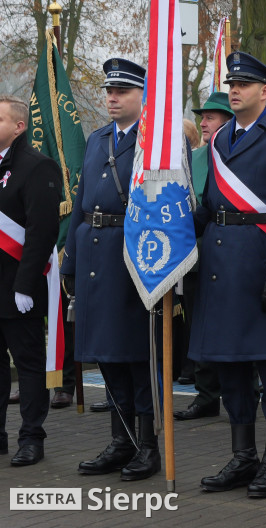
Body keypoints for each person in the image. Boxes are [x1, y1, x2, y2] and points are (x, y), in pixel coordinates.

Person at [189, 52, 266, 499]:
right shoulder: (222, 137)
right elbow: (210, 206)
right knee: (231, 369)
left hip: (264, 269)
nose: (235, 89)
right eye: (232, 82)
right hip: (222, 270)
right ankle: (242, 457)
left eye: (244, 83)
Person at [61, 58, 163, 481]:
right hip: (94, 254)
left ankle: (147, 445)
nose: (113, 98)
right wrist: (71, 256)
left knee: (136, 356)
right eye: (109, 91)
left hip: (132, 254)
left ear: (143, 95)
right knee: (106, 355)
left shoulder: (152, 141)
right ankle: (121, 441)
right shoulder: (97, 138)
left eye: (122, 91)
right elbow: (82, 199)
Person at [0, 96, 61, 465]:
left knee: (28, 365)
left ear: (19, 126)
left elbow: (41, 231)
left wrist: (24, 285)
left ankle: (31, 437)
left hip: (17, 287)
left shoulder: (37, 167)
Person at [175, 91, 235, 420]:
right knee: (199, 326)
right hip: (197, 256)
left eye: (211, 117)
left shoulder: (240, 154)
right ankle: (206, 394)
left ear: (229, 120)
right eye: (203, 117)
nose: (204, 122)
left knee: (238, 324)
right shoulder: (196, 157)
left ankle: (247, 390)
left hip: (235, 256)